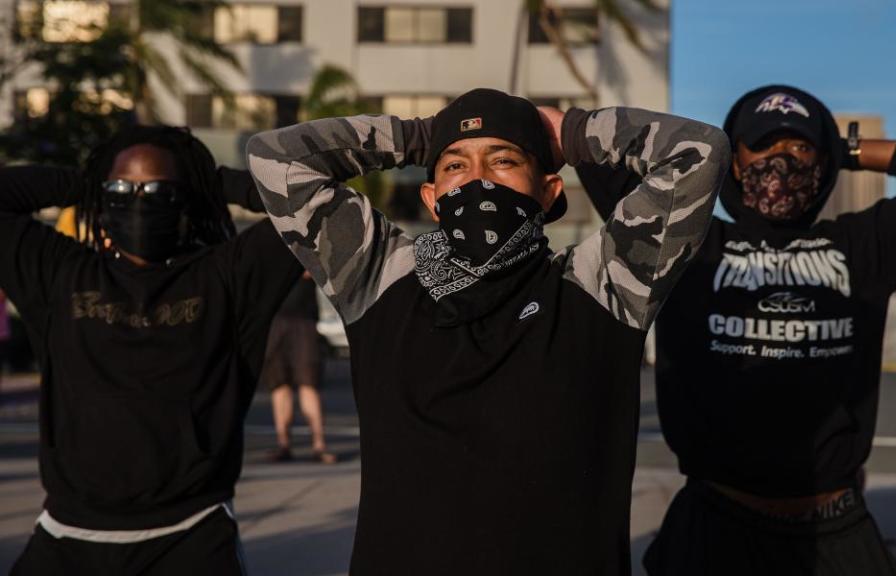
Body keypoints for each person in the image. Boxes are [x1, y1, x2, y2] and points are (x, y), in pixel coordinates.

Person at [247, 88, 729, 573]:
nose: (477, 180)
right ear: (432, 199)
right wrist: (419, 137)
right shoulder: (378, 280)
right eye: (455, 166)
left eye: (503, 161)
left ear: (549, 191)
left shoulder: (603, 287)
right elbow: (275, 157)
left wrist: (574, 134)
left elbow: (698, 152)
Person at [578, 84, 896, 575]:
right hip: (714, 528)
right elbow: (594, 152)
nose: (781, 160)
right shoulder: (686, 243)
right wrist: (704, 153)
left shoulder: (864, 246)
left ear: (823, 163)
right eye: (762, 144)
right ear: (733, 161)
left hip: (835, 531)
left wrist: (843, 149)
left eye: (800, 147)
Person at [2, 125, 303, 575]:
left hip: (189, 537)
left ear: (184, 201)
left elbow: (311, 200)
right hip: (68, 540)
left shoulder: (226, 277)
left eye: (158, 188)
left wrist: (208, 182)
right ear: (103, 200)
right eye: (122, 188)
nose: (138, 198)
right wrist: (87, 181)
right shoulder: (60, 275)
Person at [262, 271, 337, 463]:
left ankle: (319, 445)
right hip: (273, 319)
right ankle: (283, 444)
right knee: (279, 385)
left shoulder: (303, 243)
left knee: (308, 383)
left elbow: (315, 271)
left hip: (303, 319)